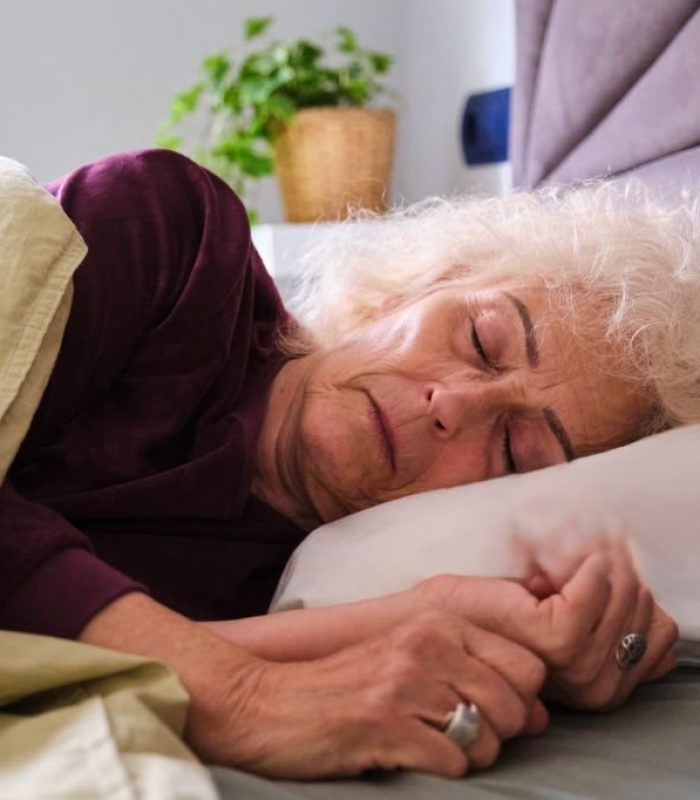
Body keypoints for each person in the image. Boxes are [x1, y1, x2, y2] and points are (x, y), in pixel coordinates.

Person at [0, 149, 690, 779]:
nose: (450, 403)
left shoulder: (308, 584)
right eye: (482, 339)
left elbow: (84, 654)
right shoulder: (178, 237)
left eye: (516, 451)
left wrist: (488, 637)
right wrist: (242, 696)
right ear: (412, 288)